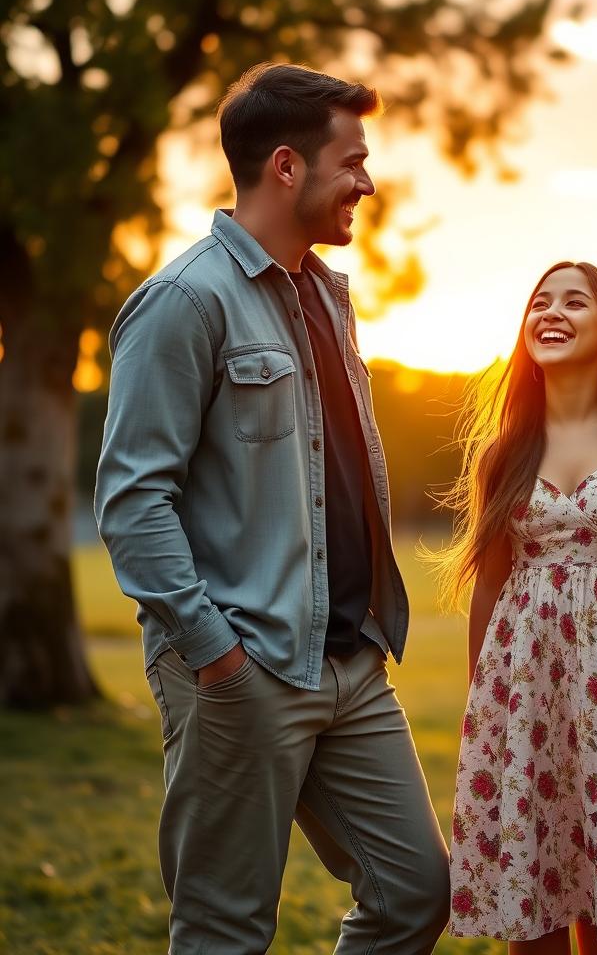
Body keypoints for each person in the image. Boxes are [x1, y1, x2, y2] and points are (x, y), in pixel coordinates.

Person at [94, 63, 450, 954]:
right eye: (353, 160)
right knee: (224, 928)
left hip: (352, 665)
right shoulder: (183, 302)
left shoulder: (328, 295)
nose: (367, 182)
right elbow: (135, 501)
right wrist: (216, 657)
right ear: (287, 167)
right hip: (244, 668)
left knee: (416, 891)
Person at [439, 261, 597, 953]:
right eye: (540, 302)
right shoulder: (507, 451)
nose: (552, 312)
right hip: (523, 700)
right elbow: (489, 583)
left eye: (575, 302)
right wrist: (485, 705)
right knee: (532, 903)